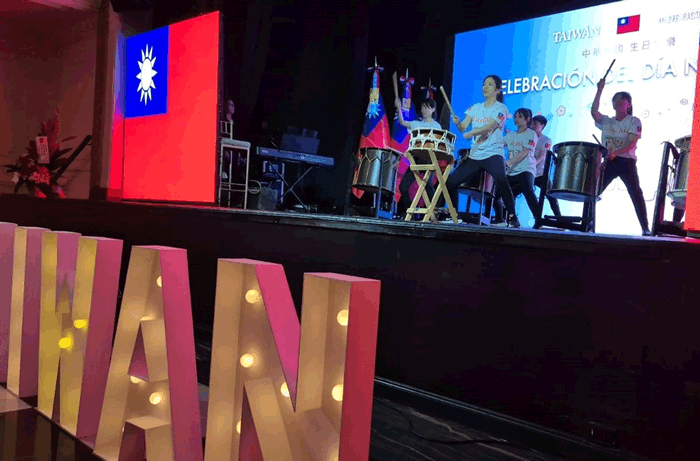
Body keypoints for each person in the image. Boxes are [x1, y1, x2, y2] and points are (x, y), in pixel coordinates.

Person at [447, 75, 520, 228]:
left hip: (493, 153)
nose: (485, 87)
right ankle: (453, 214)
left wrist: (472, 133)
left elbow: (490, 127)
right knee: (450, 182)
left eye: (490, 84)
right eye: (484, 84)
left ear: (498, 90)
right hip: (475, 155)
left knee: (501, 181)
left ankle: (512, 217)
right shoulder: (476, 108)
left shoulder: (501, 108)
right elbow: (463, 128)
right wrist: (459, 123)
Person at [591, 79, 651, 236]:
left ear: (628, 104)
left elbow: (631, 141)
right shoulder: (607, 121)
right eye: (615, 100)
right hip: (609, 161)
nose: (617, 102)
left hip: (626, 162)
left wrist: (615, 152)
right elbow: (594, 112)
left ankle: (645, 228)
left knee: (636, 193)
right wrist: (599, 90)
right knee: (593, 191)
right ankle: (588, 224)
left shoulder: (634, 121)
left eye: (621, 99)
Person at [395, 98, 441, 217]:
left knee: (428, 185)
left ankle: (435, 213)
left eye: (427, 107)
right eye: (422, 107)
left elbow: (438, 144)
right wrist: (399, 108)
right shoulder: (417, 124)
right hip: (416, 159)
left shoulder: (436, 126)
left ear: (433, 109)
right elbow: (403, 122)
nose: (423, 110)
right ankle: (411, 213)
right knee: (403, 186)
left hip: (429, 159)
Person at [493, 108, 539, 225]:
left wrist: (509, 162)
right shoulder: (511, 135)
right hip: (511, 172)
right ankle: (502, 219)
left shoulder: (531, 134)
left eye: (520, 117)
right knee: (497, 195)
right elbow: (499, 145)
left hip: (526, 169)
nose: (516, 119)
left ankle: (539, 220)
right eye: (515, 116)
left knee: (528, 191)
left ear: (527, 119)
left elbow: (525, 152)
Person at [532, 114, 561, 217]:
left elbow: (542, 155)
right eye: (532, 123)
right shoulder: (526, 137)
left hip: (540, 173)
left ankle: (559, 219)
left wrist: (532, 164)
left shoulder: (546, 140)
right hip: (526, 172)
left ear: (542, 126)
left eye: (535, 124)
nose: (532, 126)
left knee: (551, 196)